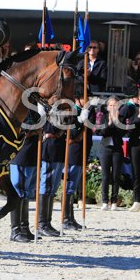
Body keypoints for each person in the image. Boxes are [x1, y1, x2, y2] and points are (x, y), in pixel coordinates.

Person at [62, 94, 93, 231]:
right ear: (78, 99)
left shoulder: (86, 112)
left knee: (73, 186)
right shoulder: (72, 111)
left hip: (81, 153)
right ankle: (65, 218)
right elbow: (72, 133)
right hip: (73, 153)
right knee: (69, 186)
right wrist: (81, 121)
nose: (88, 101)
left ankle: (70, 218)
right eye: (85, 98)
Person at [8, 111, 40, 243]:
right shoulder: (20, 110)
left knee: (27, 193)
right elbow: (21, 130)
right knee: (18, 191)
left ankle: (24, 227)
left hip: (32, 154)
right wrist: (35, 130)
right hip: (21, 155)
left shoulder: (35, 111)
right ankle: (15, 230)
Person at [96, 96, 126, 211]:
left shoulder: (121, 118)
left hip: (117, 149)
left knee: (116, 176)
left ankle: (114, 201)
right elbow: (101, 132)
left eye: (115, 105)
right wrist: (109, 123)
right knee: (105, 176)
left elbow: (122, 133)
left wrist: (116, 121)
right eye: (111, 105)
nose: (113, 107)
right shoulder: (103, 117)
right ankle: (104, 201)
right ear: (108, 107)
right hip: (105, 148)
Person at [37, 121, 66, 237]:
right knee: (47, 185)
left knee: (53, 188)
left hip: (59, 149)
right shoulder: (48, 114)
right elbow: (51, 128)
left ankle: (47, 223)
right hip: (50, 149)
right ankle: (42, 224)